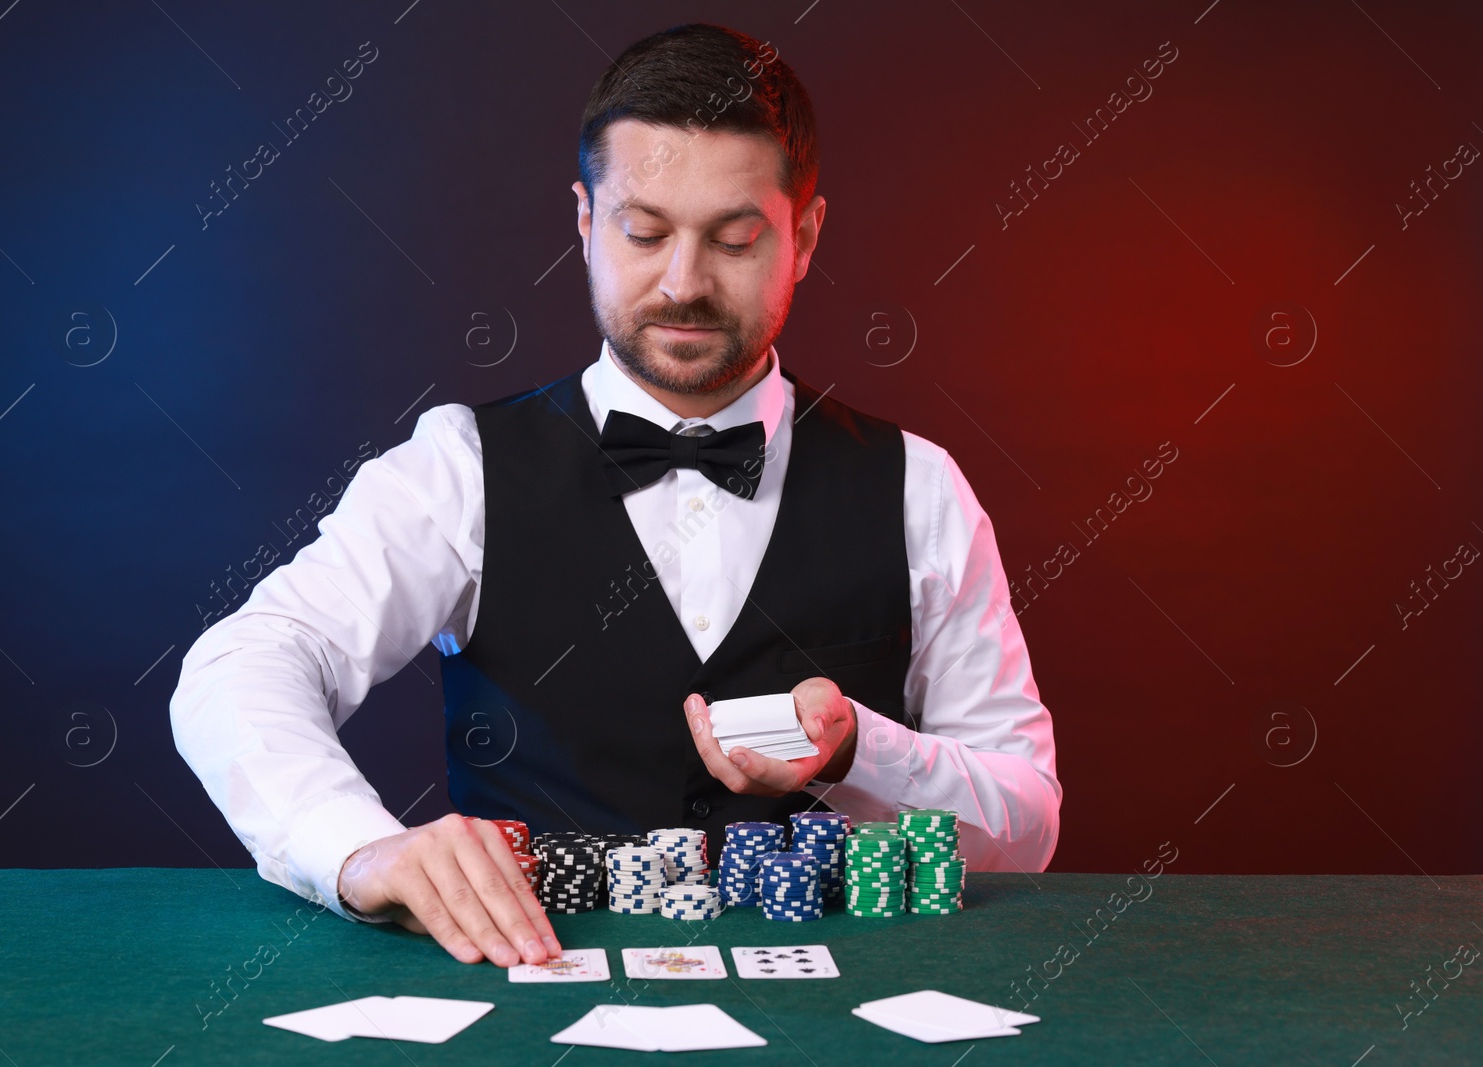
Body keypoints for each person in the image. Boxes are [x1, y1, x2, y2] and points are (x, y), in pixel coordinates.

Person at [170, 22, 1059, 971]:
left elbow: (1029, 822)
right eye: (644, 232)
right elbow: (244, 662)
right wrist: (355, 846)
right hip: (529, 999)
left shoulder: (920, 485)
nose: (683, 283)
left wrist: (860, 754)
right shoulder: (461, 466)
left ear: (804, 236)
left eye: (735, 238)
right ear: (586, 223)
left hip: (843, 1012)